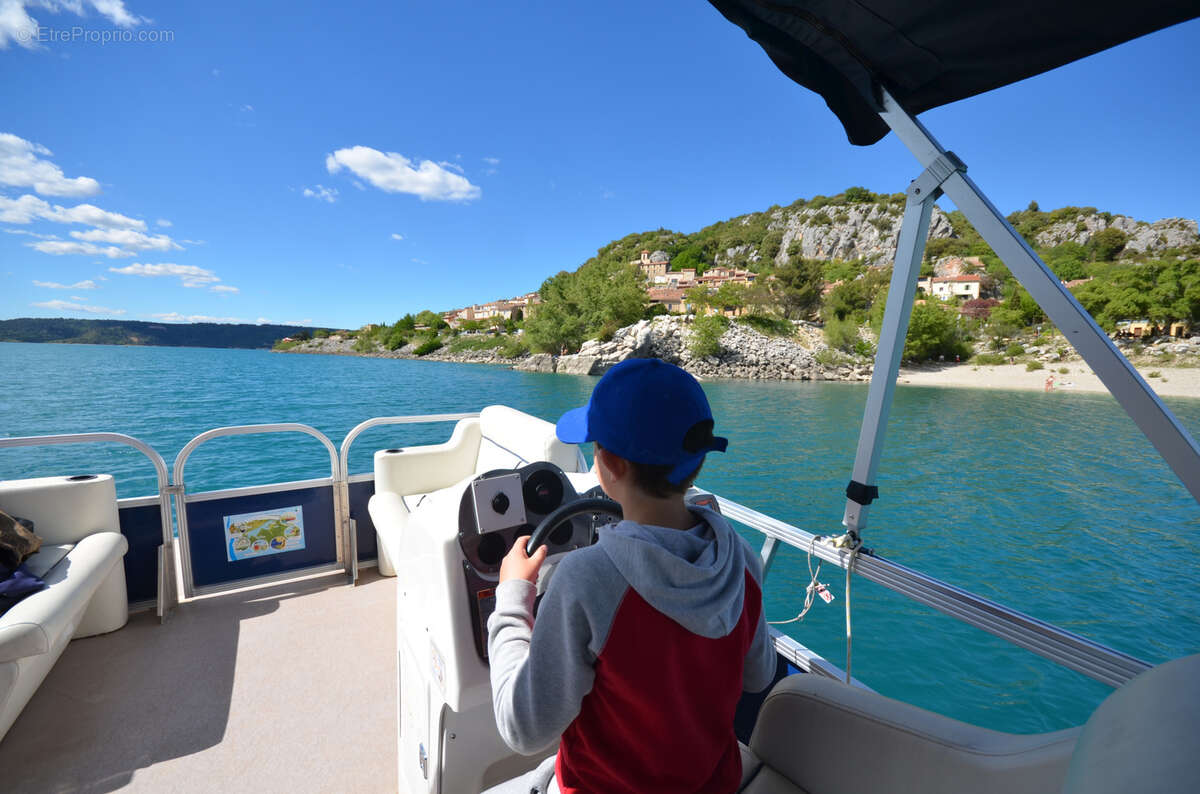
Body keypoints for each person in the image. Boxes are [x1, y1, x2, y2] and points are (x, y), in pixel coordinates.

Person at [486, 358, 776, 794]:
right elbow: (759, 675)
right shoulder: (742, 560)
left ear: (608, 466)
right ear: (696, 462)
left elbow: (522, 729)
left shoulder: (585, 579)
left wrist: (512, 596)